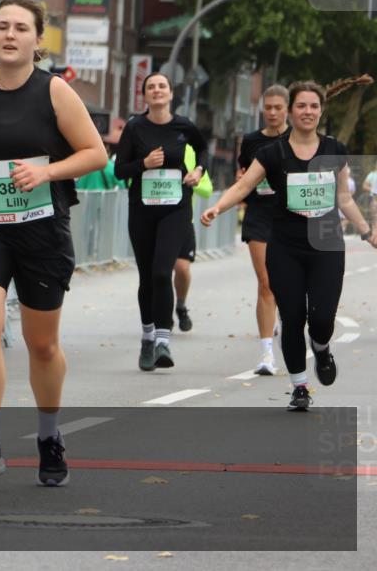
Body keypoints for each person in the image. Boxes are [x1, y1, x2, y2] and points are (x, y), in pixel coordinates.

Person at [0, 0, 107, 487]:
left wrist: (46, 172)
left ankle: (49, 436)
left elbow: (95, 153)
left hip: (41, 227)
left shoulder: (54, 91)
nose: (10, 35)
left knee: (42, 344)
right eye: (2, 26)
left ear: (38, 40)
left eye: (20, 28)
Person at [202, 81, 377, 411]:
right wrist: (218, 207)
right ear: (291, 111)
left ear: (321, 110)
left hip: (326, 244)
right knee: (292, 317)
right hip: (285, 246)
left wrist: (368, 232)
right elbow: (244, 186)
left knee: (322, 319)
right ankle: (299, 387)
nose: (307, 111)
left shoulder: (335, 150)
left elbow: (344, 198)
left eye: (314, 106)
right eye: (301, 106)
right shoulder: (273, 153)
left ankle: (321, 348)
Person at [114, 73, 208, 372]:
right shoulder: (134, 127)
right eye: (151, 87)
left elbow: (202, 149)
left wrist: (198, 170)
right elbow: (119, 170)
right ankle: (147, 338)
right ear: (145, 96)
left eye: (162, 86)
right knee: (147, 277)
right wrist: (143, 164)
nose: (157, 90)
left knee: (161, 272)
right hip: (142, 210)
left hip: (175, 209)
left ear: (170, 93)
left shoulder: (184, 126)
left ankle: (163, 342)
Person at [233, 85, 291, 375]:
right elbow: (243, 174)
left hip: (291, 217)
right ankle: (267, 353)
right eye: (268, 107)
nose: (272, 112)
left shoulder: (298, 139)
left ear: (287, 109)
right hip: (259, 215)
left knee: (288, 283)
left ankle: (283, 322)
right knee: (266, 282)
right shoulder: (252, 140)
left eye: (278, 107)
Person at [171, 144, 213, 333]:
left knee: (182, 268)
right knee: (160, 271)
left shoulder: (191, 151)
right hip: (156, 221)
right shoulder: (152, 144)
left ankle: (181, 306)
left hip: (184, 221)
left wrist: (194, 180)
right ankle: (162, 311)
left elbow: (207, 189)